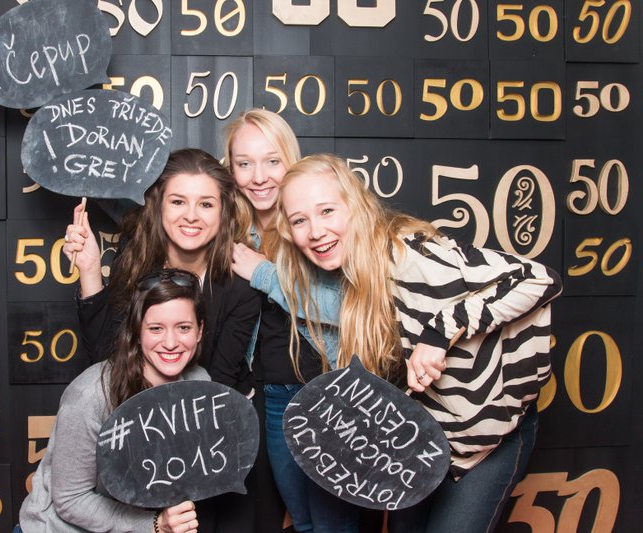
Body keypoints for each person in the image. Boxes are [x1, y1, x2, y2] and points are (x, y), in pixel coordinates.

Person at [232, 153, 563, 533]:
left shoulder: (408, 252)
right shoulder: (349, 272)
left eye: (327, 211)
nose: (316, 231)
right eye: (300, 220)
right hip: (423, 436)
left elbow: (538, 279)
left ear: (355, 206)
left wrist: (439, 334)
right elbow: (318, 307)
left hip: (486, 436)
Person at [63, 148, 260, 532]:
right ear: (158, 206)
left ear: (223, 212)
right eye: (178, 201)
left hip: (210, 438)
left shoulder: (240, 284)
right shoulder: (137, 259)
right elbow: (106, 361)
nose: (191, 215)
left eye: (206, 204)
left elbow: (215, 384)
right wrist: (89, 271)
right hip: (136, 433)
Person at [223, 110, 361, 533]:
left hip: (328, 392)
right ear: (230, 170)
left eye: (272, 161)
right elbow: (165, 212)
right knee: (302, 522)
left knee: (334, 526)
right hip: (273, 398)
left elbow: (346, 307)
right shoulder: (233, 232)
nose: (258, 177)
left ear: (291, 160)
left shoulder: (317, 224)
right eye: (244, 163)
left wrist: (264, 273)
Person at [18, 268, 207, 532]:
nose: (170, 342)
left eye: (183, 327)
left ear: (199, 331)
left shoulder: (199, 385)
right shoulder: (90, 394)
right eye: (156, 328)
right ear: (137, 332)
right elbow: (71, 500)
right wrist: (154, 524)